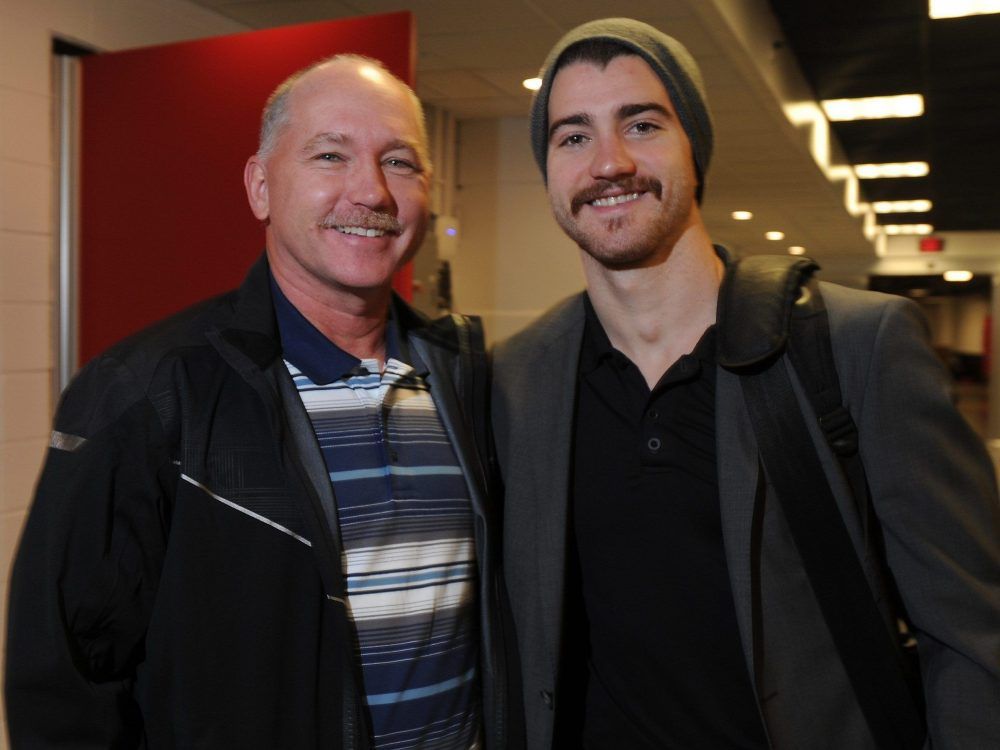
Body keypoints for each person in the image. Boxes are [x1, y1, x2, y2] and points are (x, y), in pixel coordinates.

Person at [491, 17, 1000, 749]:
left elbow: (970, 636)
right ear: (549, 171)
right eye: (573, 136)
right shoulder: (517, 379)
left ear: (695, 147)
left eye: (641, 124)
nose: (608, 162)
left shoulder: (855, 347)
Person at [6, 54, 510, 749]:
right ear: (261, 186)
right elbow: (65, 684)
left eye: (399, 162)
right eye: (330, 155)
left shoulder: (466, 381)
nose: (372, 191)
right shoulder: (147, 390)